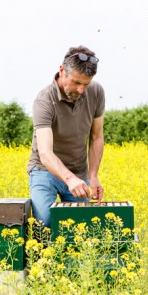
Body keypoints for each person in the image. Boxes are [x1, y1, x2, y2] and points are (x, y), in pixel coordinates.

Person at [27, 45, 105, 228]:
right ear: (62, 71)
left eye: (86, 84)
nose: (81, 90)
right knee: (44, 223)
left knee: (82, 228)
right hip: (44, 171)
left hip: (79, 172)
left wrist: (93, 175)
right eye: (76, 82)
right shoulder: (44, 101)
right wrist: (69, 179)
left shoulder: (96, 92)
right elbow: (45, 153)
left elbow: (96, 137)